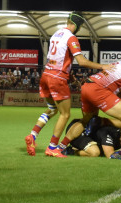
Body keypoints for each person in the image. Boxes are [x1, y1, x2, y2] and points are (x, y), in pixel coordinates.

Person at [25, 12, 109, 158]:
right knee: (65, 114)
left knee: (52, 109)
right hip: (57, 78)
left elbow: (58, 58)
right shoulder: (71, 38)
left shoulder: (56, 34)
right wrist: (102, 66)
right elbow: (82, 61)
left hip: (46, 75)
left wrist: (70, 77)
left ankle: (32, 135)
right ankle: (52, 147)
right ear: (77, 25)